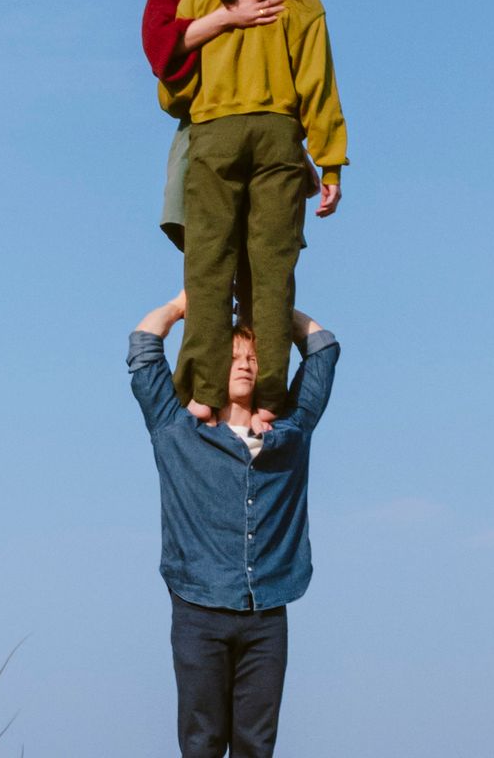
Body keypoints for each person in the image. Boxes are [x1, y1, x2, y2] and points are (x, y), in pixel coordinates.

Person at [161, 0, 348, 428]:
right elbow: (319, 89)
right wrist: (330, 161)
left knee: (209, 268)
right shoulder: (302, 2)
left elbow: (171, 89)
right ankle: (268, 396)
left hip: (216, 136)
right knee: (270, 275)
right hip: (277, 141)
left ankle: (202, 392)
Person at [127, 291, 341, 758]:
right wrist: (186, 306)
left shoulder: (291, 434)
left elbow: (323, 350)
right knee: (201, 745)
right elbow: (144, 348)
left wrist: (274, 314)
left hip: (267, 609)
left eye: (253, 357)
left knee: (256, 746)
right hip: (198, 608)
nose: (244, 364)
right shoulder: (177, 432)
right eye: (232, 356)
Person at [141, 0, 287, 251]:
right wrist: (226, 17)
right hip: (200, 129)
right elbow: (159, 52)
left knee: (262, 256)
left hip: (262, 130)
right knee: (208, 257)